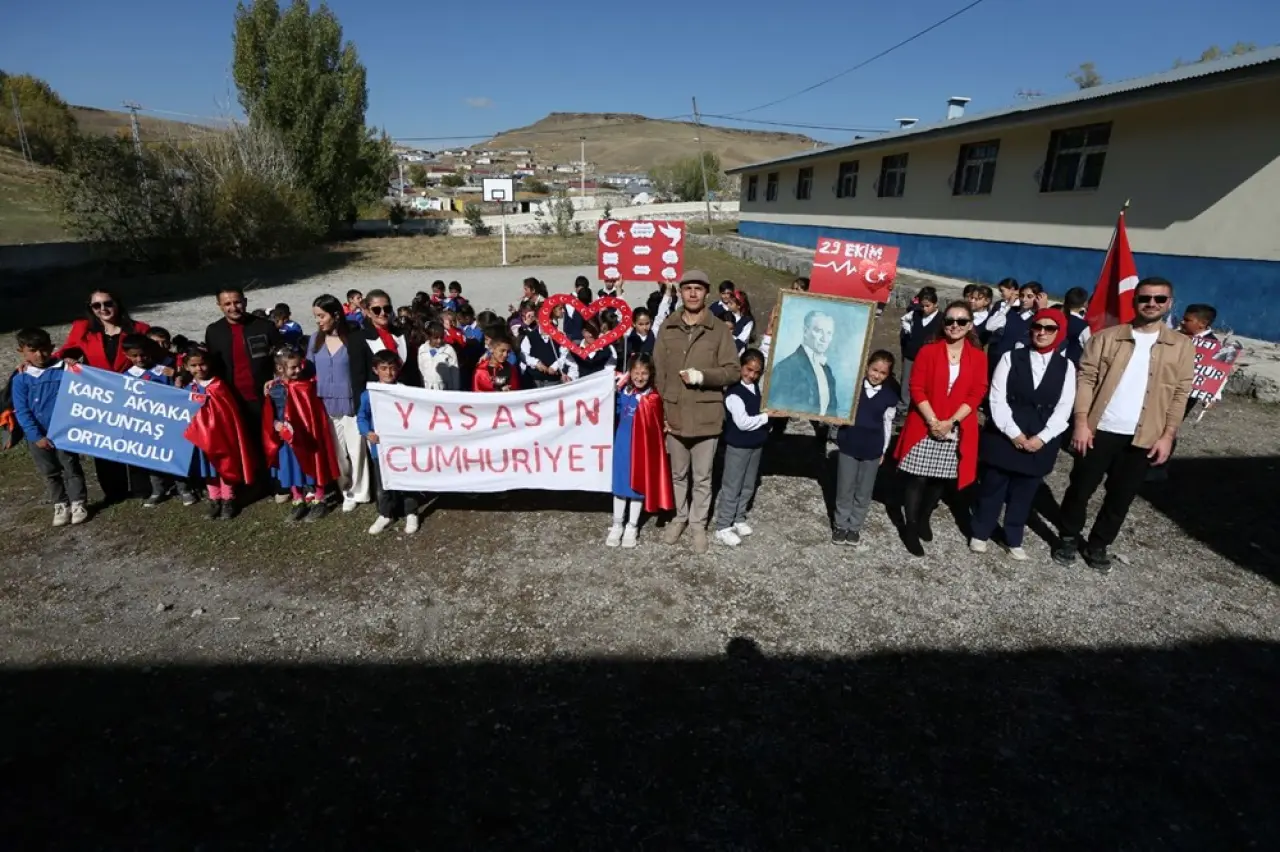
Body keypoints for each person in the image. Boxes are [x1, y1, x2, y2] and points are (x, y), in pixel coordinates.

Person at [1054, 278, 1196, 571]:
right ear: (1135, 301)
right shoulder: (1107, 337)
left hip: (1144, 436)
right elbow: (1086, 380)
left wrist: (1168, 435)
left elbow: (1181, 393)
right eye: (1145, 298)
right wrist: (1081, 422)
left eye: (1159, 299)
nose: (1152, 303)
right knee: (1080, 489)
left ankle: (1098, 544)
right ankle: (1068, 536)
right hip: (1100, 430)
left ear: (1169, 303)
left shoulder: (1181, 346)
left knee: (1121, 497)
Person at [969, 309, 1076, 560]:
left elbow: (1064, 407)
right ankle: (981, 532)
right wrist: (1014, 433)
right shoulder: (1010, 357)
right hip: (1006, 434)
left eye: (1050, 329)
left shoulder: (1067, 366)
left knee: (1025, 493)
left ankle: (1013, 537)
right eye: (1038, 327)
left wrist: (1042, 438)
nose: (1042, 332)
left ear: (1059, 333)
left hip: (1041, 438)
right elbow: (997, 399)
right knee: (993, 487)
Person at [653, 269, 741, 554]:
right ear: (680, 291)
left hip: (706, 415)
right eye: (687, 288)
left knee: (702, 477)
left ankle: (697, 524)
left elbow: (733, 371)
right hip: (676, 414)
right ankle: (680, 517)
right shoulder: (668, 327)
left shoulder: (718, 330)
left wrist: (703, 377)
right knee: (678, 474)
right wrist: (664, 410)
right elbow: (660, 372)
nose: (692, 293)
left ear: (707, 293)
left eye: (698, 288)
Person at [894, 301, 989, 557]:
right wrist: (933, 420)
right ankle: (911, 527)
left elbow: (977, 392)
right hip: (926, 422)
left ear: (970, 325)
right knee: (918, 477)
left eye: (961, 321)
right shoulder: (929, 351)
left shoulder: (978, 357)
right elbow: (916, 387)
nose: (955, 326)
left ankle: (925, 516)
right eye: (950, 321)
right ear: (943, 324)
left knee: (941, 477)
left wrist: (951, 422)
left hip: (955, 425)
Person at [58, 289, 152, 502]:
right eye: (96, 305)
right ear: (90, 309)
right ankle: (114, 490)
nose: (103, 309)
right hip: (100, 395)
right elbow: (66, 352)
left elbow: (156, 355)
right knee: (104, 443)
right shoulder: (83, 329)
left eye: (107, 303)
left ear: (117, 304)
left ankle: (141, 487)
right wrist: (63, 360)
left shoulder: (139, 328)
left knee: (135, 439)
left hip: (131, 394)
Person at [12, 328, 89, 527]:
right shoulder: (21, 378)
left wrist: (74, 365)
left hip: (63, 431)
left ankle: (78, 503)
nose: (40, 355)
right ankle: (60, 504)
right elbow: (22, 411)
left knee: (71, 467)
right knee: (50, 472)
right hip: (37, 435)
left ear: (52, 348)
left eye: (44, 349)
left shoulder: (64, 370)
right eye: (33, 350)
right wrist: (35, 435)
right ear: (22, 351)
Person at [263, 346, 341, 522]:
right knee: (291, 467)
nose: (298, 370)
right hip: (285, 439)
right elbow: (271, 412)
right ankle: (298, 499)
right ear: (281, 369)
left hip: (307, 436)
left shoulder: (307, 386)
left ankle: (319, 499)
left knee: (313, 466)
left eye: (299, 366)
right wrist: (276, 424)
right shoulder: (275, 389)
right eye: (293, 367)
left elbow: (313, 412)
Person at [311, 295, 374, 512]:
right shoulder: (314, 340)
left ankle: (359, 491)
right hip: (326, 403)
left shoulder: (353, 339)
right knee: (337, 452)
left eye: (322, 316)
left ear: (335, 315)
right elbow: (306, 371)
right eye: (316, 317)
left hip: (351, 401)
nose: (319, 321)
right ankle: (344, 487)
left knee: (356, 450)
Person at [182, 344, 258, 521]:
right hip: (201, 439)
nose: (198, 369)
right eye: (193, 366)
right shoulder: (188, 389)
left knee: (223, 467)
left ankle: (228, 499)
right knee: (207, 469)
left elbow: (227, 414)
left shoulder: (218, 386)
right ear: (186, 367)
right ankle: (214, 498)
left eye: (202, 364)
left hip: (220, 438)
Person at [832, 350, 900, 546]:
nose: (876, 375)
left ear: (888, 375)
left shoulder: (889, 396)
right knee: (845, 487)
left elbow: (887, 426)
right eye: (874, 369)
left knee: (864, 490)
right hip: (849, 444)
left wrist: (883, 450)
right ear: (866, 367)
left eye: (882, 373)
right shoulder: (853, 389)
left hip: (872, 448)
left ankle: (855, 527)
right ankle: (840, 524)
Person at [122, 333, 197, 508]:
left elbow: (178, 392)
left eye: (143, 354)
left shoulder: (164, 371)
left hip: (168, 422)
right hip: (145, 425)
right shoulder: (126, 376)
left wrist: (177, 379)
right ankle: (158, 489)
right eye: (135, 356)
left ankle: (183, 488)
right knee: (152, 456)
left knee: (174, 454)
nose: (140, 359)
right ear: (127, 356)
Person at [607, 353, 673, 548]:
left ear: (650, 374)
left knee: (637, 487)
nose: (640, 377)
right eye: (636, 372)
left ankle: (632, 525)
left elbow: (656, 424)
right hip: (622, 445)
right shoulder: (623, 393)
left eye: (644, 373)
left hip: (641, 449)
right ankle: (617, 523)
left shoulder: (652, 398)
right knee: (620, 486)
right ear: (630, 372)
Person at [358, 350, 421, 535]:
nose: (388, 373)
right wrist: (367, 432)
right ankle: (385, 513)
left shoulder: (404, 391)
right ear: (375, 370)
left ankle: (411, 512)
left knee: (408, 481)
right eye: (384, 369)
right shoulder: (369, 394)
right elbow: (362, 416)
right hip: (381, 449)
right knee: (383, 484)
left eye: (392, 369)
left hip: (402, 448)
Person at [713, 348, 771, 547]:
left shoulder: (755, 388)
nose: (751, 375)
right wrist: (766, 417)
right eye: (748, 370)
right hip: (738, 446)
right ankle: (723, 526)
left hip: (756, 444)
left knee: (748, 484)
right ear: (741, 367)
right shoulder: (734, 393)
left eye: (756, 372)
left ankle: (738, 517)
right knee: (732, 485)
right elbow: (743, 423)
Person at [205, 286, 283, 427]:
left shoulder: (265, 327)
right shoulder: (214, 331)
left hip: (265, 398)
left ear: (245, 301)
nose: (233, 307)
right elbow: (211, 365)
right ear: (220, 306)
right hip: (231, 400)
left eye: (237, 302)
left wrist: (277, 380)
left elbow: (284, 357)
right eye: (227, 304)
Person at [769, 309, 839, 419]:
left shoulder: (827, 370)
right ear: (805, 331)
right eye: (819, 331)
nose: (824, 339)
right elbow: (777, 409)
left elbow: (832, 411)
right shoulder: (785, 368)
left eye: (829, 333)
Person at [361, 289, 420, 386]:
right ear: (368, 312)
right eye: (377, 310)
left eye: (387, 308)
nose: (383, 313)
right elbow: (359, 378)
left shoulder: (404, 334)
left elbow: (412, 371)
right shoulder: (358, 339)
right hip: (377, 397)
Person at [898, 287, 940, 409]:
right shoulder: (915, 314)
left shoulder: (941, 319)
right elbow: (904, 319)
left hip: (928, 356)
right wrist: (909, 330)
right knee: (906, 379)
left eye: (928, 306)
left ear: (935, 304)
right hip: (911, 353)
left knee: (923, 381)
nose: (925, 309)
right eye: (922, 306)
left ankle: (919, 404)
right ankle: (905, 404)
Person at [519, 305, 577, 387]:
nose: (547, 322)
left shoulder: (559, 336)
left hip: (553, 381)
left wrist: (555, 366)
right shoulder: (530, 337)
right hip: (535, 381)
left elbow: (564, 356)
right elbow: (524, 355)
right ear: (537, 320)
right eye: (544, 319)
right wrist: (536, 363)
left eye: (549, 319)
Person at [417, 321, 462, 391]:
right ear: (429, 337)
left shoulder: (449, 350)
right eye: (436, 338)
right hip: (428, 388)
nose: (439, 341)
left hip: (445, 389)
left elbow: (455, 372)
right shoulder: (422, 349)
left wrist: (455, 389)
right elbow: (421, 368)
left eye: (441, 337)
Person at [1060, 287, 1091, 366]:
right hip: (1072, 367)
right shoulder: (1083, 326)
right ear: (1085, 303)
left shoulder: (1057, 319)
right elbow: (1090, 348)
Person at [723, 290, 755, 354]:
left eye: (731, 303)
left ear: (739, 306)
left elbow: (741, 341)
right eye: (728, 302)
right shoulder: (725, 315)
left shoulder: (748, 321)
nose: (728, 305)